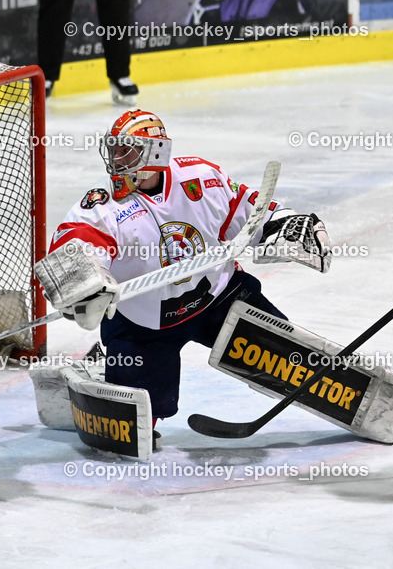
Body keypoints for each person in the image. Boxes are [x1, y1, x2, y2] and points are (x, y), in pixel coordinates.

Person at [38, 110, 330, 438]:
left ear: (156, 153)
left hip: (219, 299)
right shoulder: (102, 205)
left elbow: (250, 210)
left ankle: (358, 397)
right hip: (143, 324)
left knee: (291, 361)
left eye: (128, 150)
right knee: (131, 427)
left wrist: (285, 223)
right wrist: (84, 283)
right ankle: (98, 369)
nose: (117, 158)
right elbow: (77, 242)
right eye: (115, 149)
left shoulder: (200, 178)